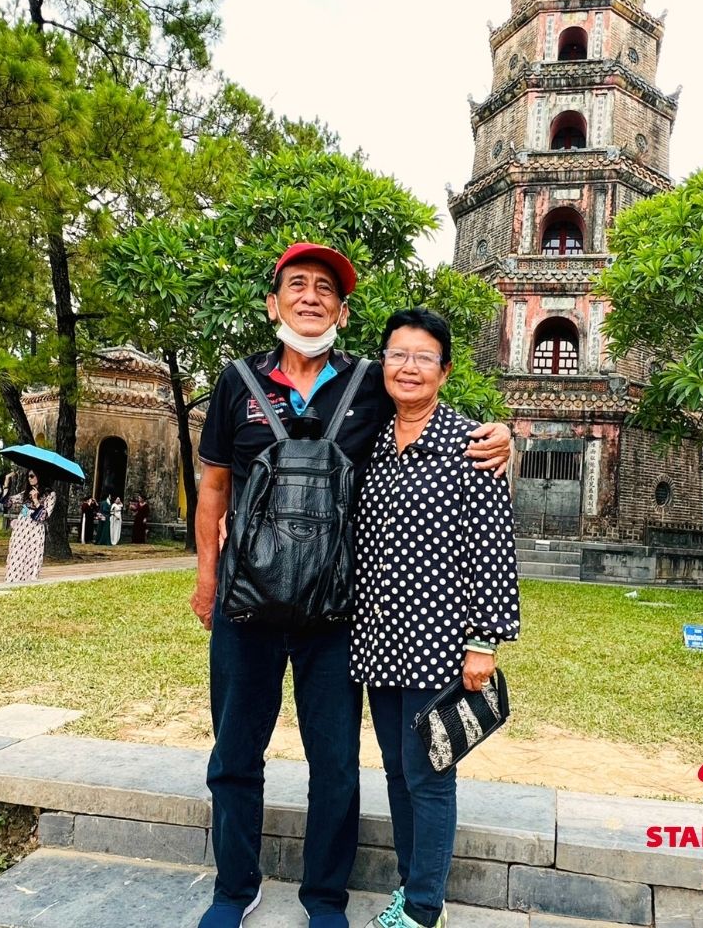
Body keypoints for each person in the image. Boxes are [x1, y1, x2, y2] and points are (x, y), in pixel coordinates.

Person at [192, 244, 511, 928]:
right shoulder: (235, 383)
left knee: (334, 763)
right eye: (296, 285)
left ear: (342, 309)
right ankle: (233, 888)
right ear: (273, 302)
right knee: (234, 754)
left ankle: (324, 898)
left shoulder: (367, 381)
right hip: (244, 606)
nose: (310, 297)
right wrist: (205, 580)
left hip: (335, 614)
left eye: (325, 289)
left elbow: (434, 412)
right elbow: (214, 486)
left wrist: (504, 433)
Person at [351, 309, 522, 928]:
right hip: (377, 638)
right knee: (397, 772)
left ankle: (424, 908)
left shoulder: (471, 444)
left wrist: (484, 643)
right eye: (398, 355)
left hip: (441, 642)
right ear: (384, 366)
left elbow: (493, 549)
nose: (409, 367)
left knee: (428, 776)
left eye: (424, 357)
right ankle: (409, 884)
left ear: (444, 371)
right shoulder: (370, 443)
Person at [2, 470, 52, 584]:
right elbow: (7, 502)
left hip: (35, 528)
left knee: (31, 554)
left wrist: (36, 500)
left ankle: (29, 580)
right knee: (17, 553)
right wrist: (7, 481)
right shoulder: (26, 493)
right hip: (22, 527)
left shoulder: (50, 495)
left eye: (32, 476)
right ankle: (12, 580)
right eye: (28, 476)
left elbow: (45, 516)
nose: (29, 479)